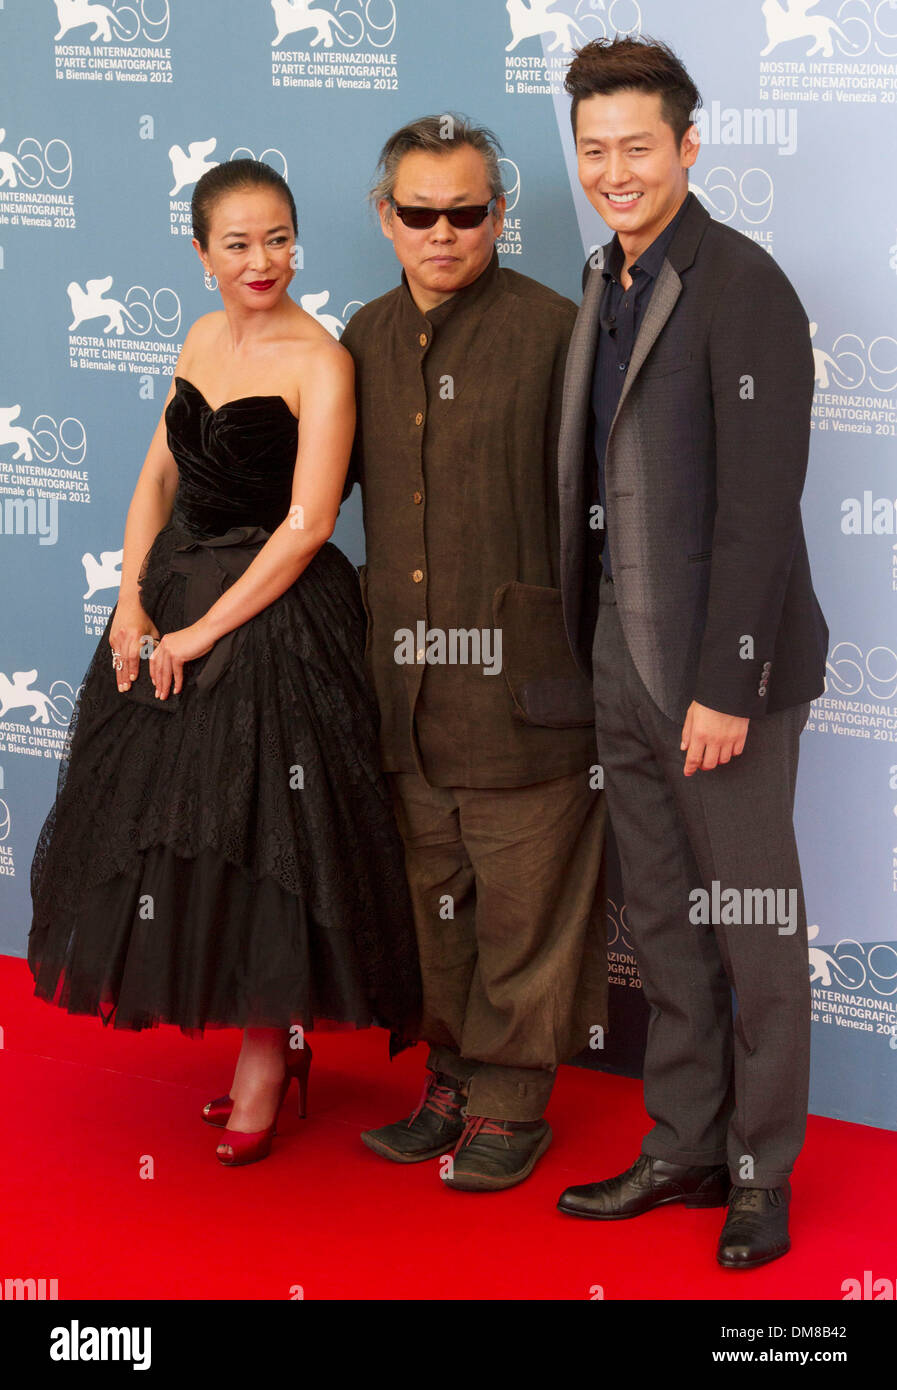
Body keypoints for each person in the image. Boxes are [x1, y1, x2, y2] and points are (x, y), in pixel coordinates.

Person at [28, 159, 421, 1167]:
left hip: (273, 616)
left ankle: (267, 1052)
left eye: (279, 237)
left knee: (266, 836)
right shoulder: (201, 335)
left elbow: (310, 523)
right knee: (181, 832)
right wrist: (129, 600)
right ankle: (267, 1042)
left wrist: (201, 636)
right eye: (239, 243)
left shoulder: (321, 360)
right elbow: (157, 472)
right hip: (172, 596)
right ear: (200, 253)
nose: (263, 260)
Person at [554, 38, 828, 1266]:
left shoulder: (743, 283)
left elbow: (763, 509)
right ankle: (685, 1143)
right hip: (621, 647)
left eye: (639, 147)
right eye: (595, 149)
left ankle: (762, 1175)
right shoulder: (601, 281)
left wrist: (730, 682)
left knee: (752, 924)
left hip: (727, 673)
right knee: (659, 915)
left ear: (689, 145)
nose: (616, 170)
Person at [339, 115, 607, 1192]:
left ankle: (509, 1104)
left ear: (500, 211)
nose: (443, 233)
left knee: (523, 902)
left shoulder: (560, 330)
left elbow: (611, 507)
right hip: (401, 686)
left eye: (468, 211)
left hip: (527, 688)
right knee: (434, 899)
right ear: (385, 215)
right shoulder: (359, 335)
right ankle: (449, 1077)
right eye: (420, 213)